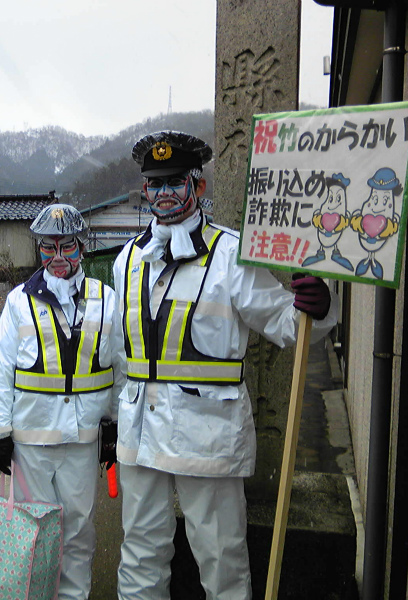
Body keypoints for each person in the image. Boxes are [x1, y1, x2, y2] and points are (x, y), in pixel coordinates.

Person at [113, 131, 338, 600]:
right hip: (139, 434)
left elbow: (285, 321)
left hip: (207, 435)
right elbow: (123, 350)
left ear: (199, 186)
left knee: (221, 557)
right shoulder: (127, 260)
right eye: (155, 183)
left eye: (176, 181)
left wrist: (319, 306)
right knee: (139, 552)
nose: (165, 193)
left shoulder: (231, 255)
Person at [0, 204, 126, 600]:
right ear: (39, 248)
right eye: (49, 247)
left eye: (68, 246)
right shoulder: (17, 302)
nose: (59, 257)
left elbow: (121, 367)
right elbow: (0, 372)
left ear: (82, 246)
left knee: (79, 530)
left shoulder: (105, 299)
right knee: (34, 532)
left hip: (83, 441)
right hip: (31, 443)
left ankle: (73, 596)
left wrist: (113, 423)